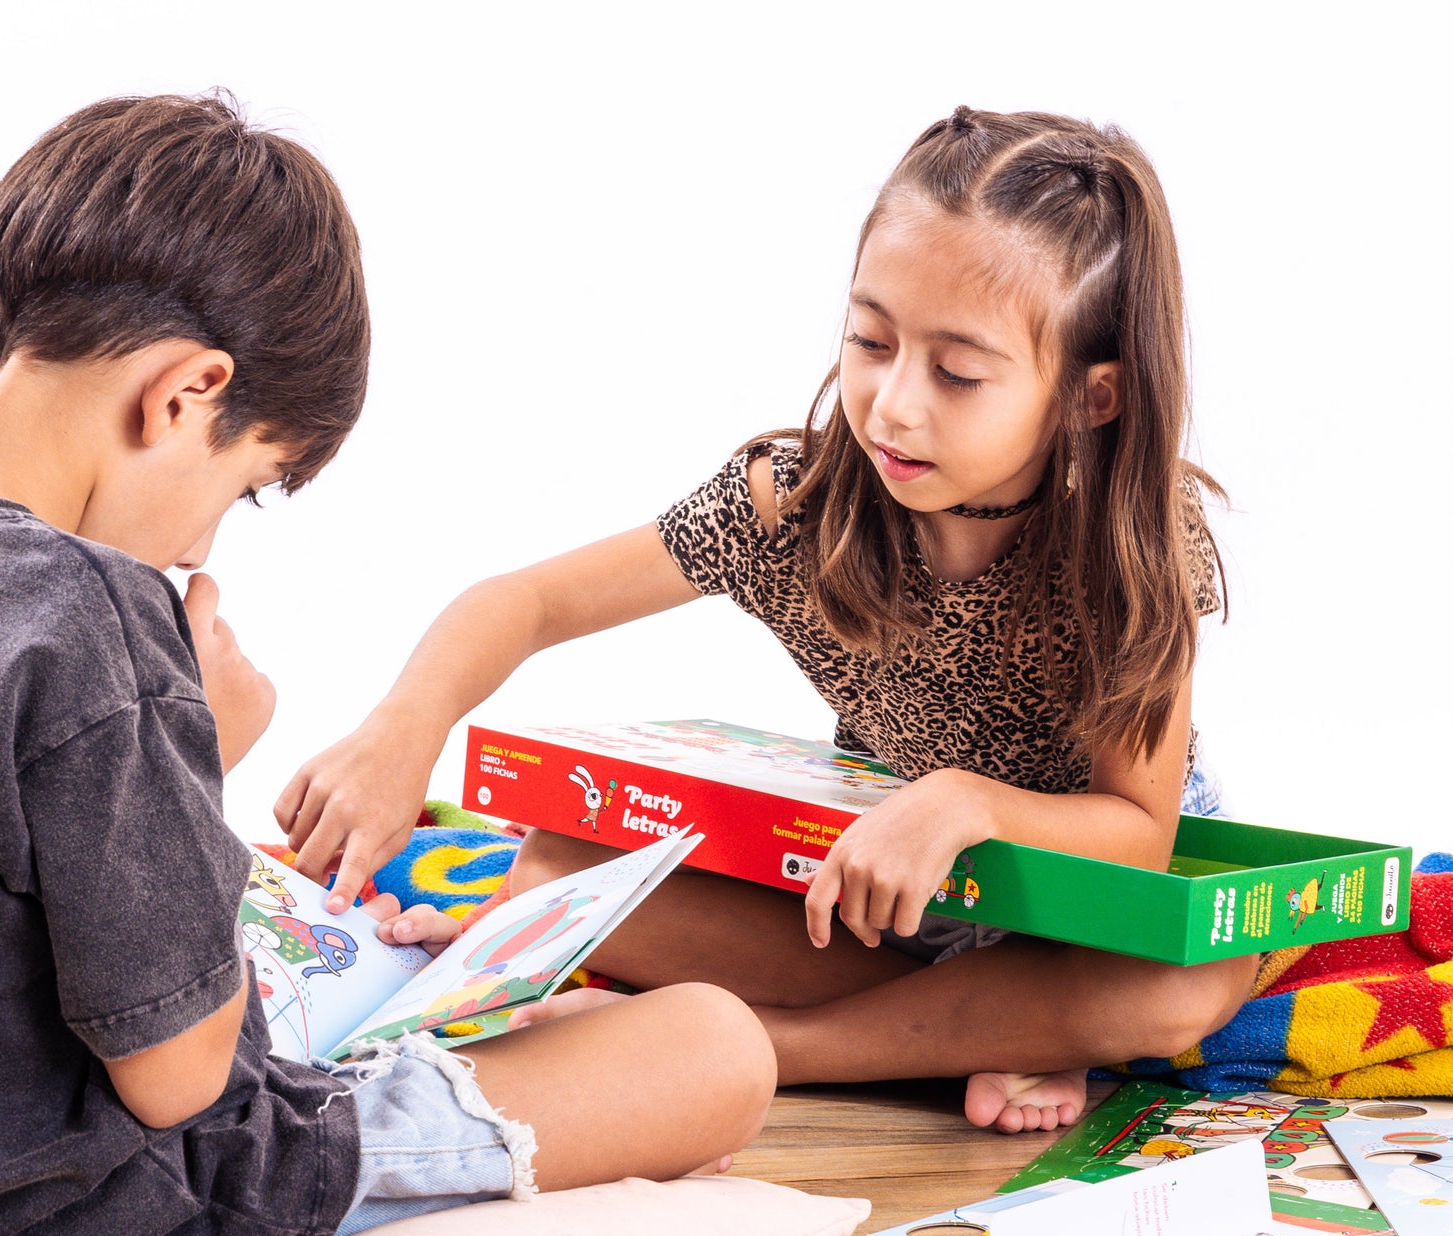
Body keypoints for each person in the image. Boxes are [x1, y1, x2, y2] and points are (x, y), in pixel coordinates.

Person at [0, 93, 775, 1236]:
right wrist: (190, 749)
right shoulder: (89, 613)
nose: (203, 543)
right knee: (711, 1045)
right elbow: (179, 1078)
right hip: (70, 1223)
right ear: (186, 394)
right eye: (247, 485)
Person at [275, 106, 1251, 1137]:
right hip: (890, 902)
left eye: (957, 373)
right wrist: (405, 727)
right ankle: (983, 1030)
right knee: (556, 866)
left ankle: (774, 1047)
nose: (892, 404)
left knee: (1184, 983)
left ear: (1091, 399)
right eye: (870, 340)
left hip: (1077, 907)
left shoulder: (1130, 542)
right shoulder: (793, 502)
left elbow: (1138, 834)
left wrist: (967, 801)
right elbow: (529, 600)